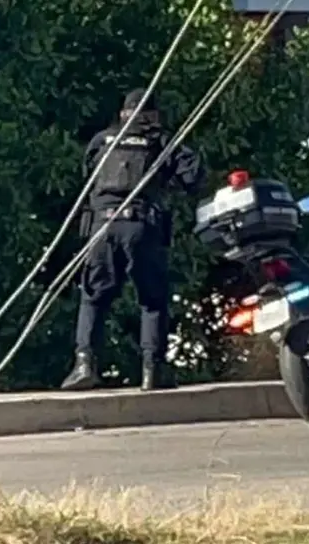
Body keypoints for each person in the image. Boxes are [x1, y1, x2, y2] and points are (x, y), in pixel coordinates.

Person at [62, 88, 205, 392]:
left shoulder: (102, 140)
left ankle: (84, 363)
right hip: (142, 224)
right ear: (152, 114)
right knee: (152, 300)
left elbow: (87, 175)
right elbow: (193, 177)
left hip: (102, 227)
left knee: (93, 297)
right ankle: (152, 371)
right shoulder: (161, 141)